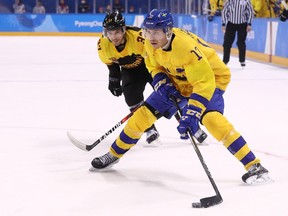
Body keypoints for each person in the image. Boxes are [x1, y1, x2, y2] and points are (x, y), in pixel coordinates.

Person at [90, 9, 272, 186]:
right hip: (178, 77)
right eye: (148, 31)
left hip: (211, 79)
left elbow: (203, 82)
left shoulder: (185, 48)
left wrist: (193, 113)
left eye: (156, 32)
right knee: (142, 115)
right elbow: (153, 65)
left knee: (211, 119)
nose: (151, 37)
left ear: (167, 32)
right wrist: (161, 80)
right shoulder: (148, 42)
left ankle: (254, 165)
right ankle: (114, 154)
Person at [97, 10, 160, 145]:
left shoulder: (139, 38)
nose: (114, 37)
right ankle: (150, 129)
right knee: (131, 98)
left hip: (150, 66)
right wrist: (114, 78)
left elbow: (155, 56)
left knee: (169, 92)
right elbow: (110, 63)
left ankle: (190, 126)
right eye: (110, 33)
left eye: (117, 32)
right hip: (130, 71)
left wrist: (162, 76)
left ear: (124, 30)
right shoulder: (103, 45)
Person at [222, 0, 254, 67]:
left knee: (241, 43)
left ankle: (242, 60)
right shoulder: (229, 1)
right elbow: (225, 11)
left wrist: (249, 24)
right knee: (227, 43)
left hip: (242, 24)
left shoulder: (246, 1)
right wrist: (224, 23)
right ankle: (225, 60)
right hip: (231, 24)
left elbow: (250, 12)